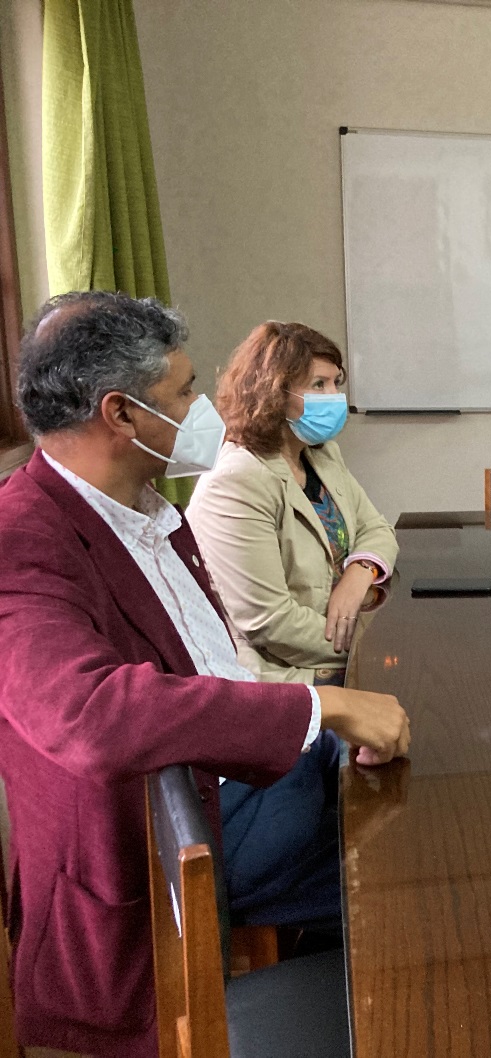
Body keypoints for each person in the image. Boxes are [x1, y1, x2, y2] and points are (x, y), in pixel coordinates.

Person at [0, 292, 410, 1057]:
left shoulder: (147, 510)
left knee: (412, 785)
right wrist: (320, 709)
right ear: (120, 414)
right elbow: (88, 714)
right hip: (163, 845)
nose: (207, 413)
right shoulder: (22, 538)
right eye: (185, 392)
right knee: (417, 858)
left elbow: (212, 668)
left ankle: (357, 993)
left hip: (234, 779)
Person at [187, 321, 397, 685]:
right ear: (273, 393)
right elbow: (271, 623)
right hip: (287, 676)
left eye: (335, 383)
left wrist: (357, 572)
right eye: (319, 385)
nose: (334, 396)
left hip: (340, 649)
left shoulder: (321, 454)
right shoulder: (237, 481)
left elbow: (376, 529)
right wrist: (373, 645)